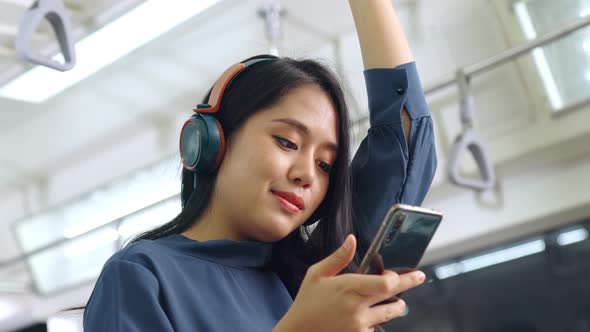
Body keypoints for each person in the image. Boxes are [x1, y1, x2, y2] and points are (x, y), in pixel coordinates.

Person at [82, 0, 436, 331]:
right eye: (287, 142)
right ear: (213, 140)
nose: (307, 174)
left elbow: (405, 139)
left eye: (325, 164)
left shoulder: (318, 276)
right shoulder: (144, 275)